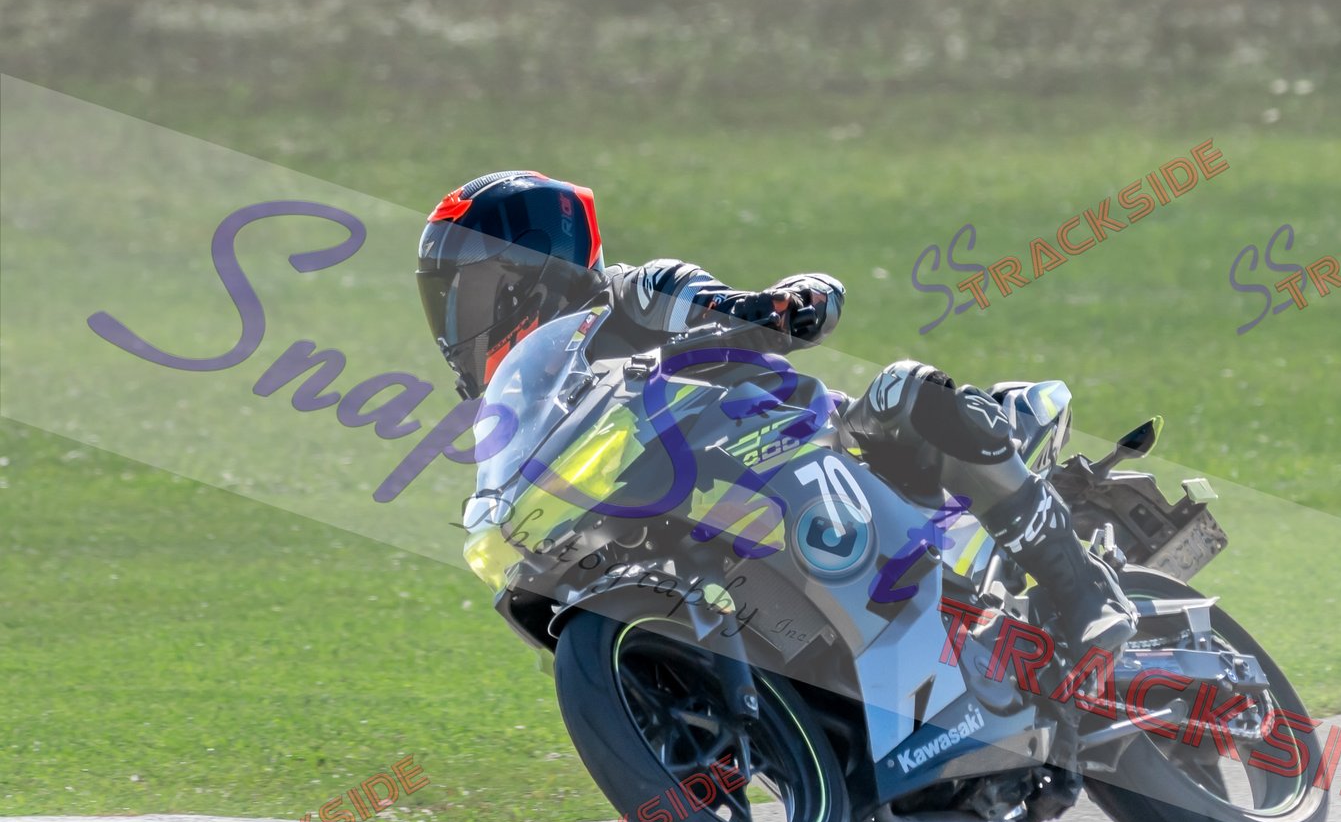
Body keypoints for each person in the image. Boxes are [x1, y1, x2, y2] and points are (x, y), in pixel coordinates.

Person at [416, 170, 1135, 656]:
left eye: (469, 293)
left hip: (817, 453)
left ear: (538, 267)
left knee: (908, 391)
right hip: (693, 521)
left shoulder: (636, 297)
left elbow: (731, 303)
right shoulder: (529, 398)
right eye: (444, 301)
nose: (457, 322)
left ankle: (1080, 595)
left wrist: (774, 308)